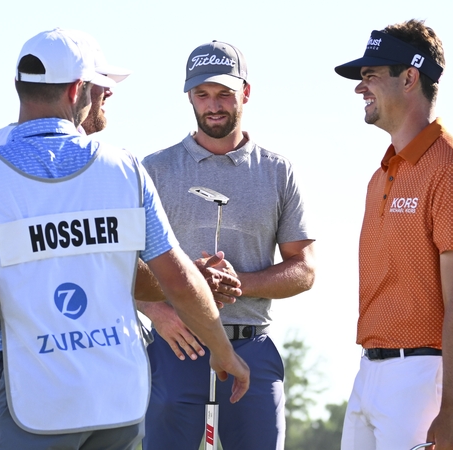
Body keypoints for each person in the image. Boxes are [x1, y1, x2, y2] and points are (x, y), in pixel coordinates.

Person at [0, 28, 249, 450]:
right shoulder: (125, 169)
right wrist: (223, 351)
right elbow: (177, 280)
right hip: (118, 399)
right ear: (78, 90)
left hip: (35, 398)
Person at [0, 43, 131, 450]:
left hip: (68, 362)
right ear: (77, 90)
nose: (109, 93)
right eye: (102, 84)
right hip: (10, 363)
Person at [137, 41, 316, 450]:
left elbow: (304, 268)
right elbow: (121, 264)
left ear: (245, 93)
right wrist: (155, 311)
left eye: (224, 94)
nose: (212, 105)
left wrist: (242, 284)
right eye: (202, 95)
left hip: (251, 341)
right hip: (175, 344)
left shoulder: (276, 171)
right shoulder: (154, 169)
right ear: (189, 97)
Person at [333, 19, 453, 450]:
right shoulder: (381, 174)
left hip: (428, 375)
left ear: (409, 77)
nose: (359, 87)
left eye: (371, 75)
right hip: (371, 370)